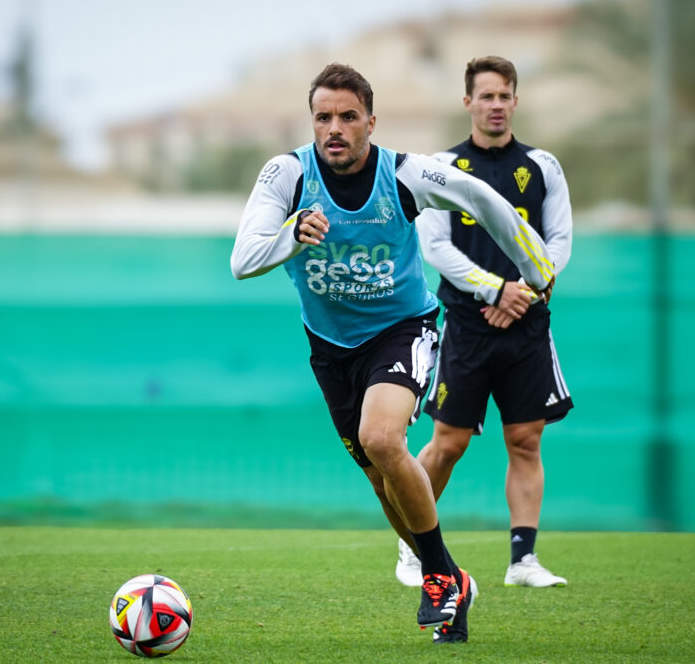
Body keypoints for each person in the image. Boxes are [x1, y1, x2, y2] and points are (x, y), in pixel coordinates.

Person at [231, 62, 556, 644]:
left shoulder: (405, 175)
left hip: (403, 329)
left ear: (371, 123)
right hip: (330, 350)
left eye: (348, 117)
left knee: (385, 440)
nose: (335, 127)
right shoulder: (286, 174)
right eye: (323, 117)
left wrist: (536, 267)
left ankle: (437, 580)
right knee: (384, 482)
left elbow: (483, 200)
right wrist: (291, 234)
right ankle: (449, 577)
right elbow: (242, 259)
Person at [395, 56, 574, 590]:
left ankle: (523, 561)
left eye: (504, 95)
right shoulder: (441, 167)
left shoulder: (543, 165)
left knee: (525, 439)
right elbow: (436, 246)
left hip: (527, 325)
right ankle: (411, 548)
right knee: (448, 443)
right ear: (467, 101)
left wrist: (527, 289)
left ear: (515, 101)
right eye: (486, 95)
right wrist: (495, 289)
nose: (495, 105)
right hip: (469, 325)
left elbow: (559, 242)